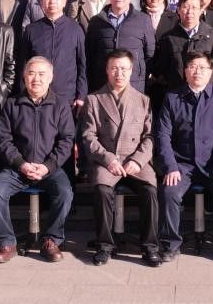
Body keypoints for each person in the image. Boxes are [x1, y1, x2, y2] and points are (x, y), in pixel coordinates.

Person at [0, 57, 75, 264]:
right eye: (31, 73)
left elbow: (66, 140)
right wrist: (21, 164)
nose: (36, 79)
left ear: (51, 77)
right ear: (24, 76)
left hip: (49, 168)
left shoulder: (60, 105)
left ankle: (51, 240)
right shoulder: (12, 104)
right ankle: (7, 242)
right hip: (17, 168)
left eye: (42, 74)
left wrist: (47, 166)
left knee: (65, 192)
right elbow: (3, 139)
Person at [80, 50, 162, 267]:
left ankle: (150, 246)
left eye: (124, 68)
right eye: (114, 68)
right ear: (107, 70)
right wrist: (109, 160)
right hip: (108, 161)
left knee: (150, 190)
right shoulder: (94, 99)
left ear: (132, 70)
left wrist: (137, 160)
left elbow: (150, 136)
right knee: (102, 190)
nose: (119, 73)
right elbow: (88, 137)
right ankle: (104, 245)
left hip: (135, 160)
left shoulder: (143, 100)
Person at [155, 52, 213, 263]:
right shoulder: (172, 97)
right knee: (168, 192)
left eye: (202, 67)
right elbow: (162, 135)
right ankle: (170, 244)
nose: (197, 72)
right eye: (192, 67)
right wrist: (170, 166)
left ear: (211, 72)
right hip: (181, 165)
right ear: (185, 71)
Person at [84, 0, 157, 95]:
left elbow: (150, 54)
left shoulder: (143, 20)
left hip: (134, 85)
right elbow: (90, 55)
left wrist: (138, 74)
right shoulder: (96, 22)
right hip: (102, 85)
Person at [20, 0, 87, 109]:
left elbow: (82, 64)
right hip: (37, 96)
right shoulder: (32, 30)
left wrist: (81, 95)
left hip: (67, 97)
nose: (52, 1)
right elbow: (23, 64)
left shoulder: (75, 29)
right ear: (41, 2)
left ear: (64, 2)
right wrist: (23, 92)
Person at [152, 0, 213, 100]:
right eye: (185, 7)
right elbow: (163, 67)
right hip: (177, 95)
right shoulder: (168, 38)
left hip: (206, 95)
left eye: (194, 7)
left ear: (201, 11)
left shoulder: (212, 35)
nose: (189, 11)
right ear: (178, 10)